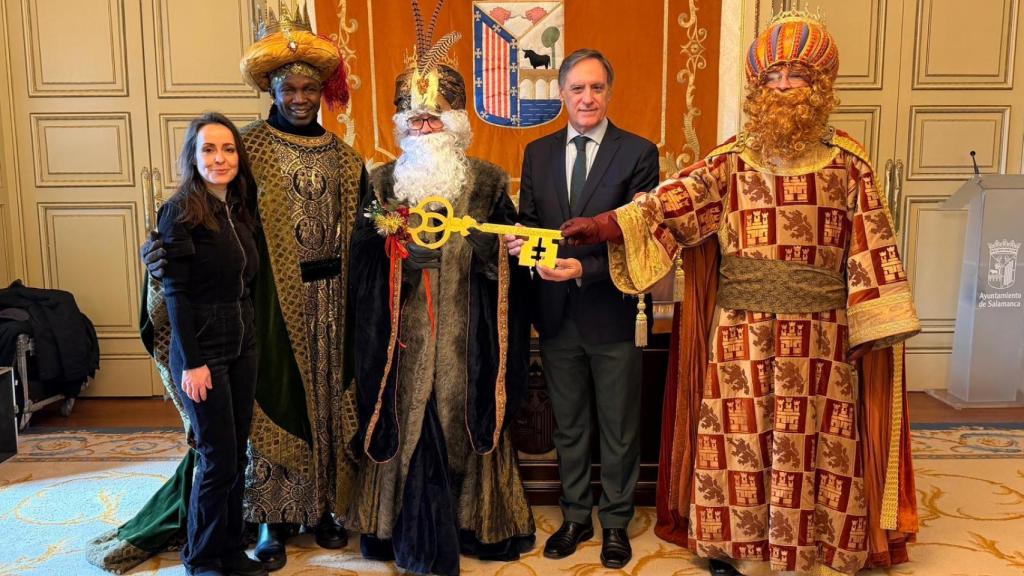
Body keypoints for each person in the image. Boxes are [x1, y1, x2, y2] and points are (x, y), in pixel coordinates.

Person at [560, 11, 921, 575]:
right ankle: (738, 548)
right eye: (772, 76)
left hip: (822, 333)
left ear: (820, 85)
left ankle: (816, 547)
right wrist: (605, 225)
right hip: (741, 330)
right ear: (758, 86)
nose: (783, 86)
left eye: (796, 75)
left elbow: (872, 244)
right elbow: (668, 203)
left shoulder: (849, 164)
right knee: (740, 436)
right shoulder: (731, 159)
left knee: (814, 438)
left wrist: (873, 326)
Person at [89, 4, 367, 573]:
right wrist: (161, 258)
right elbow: (207, 217)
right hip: (262, 304)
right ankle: (269, 517)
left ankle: (325, 506)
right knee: (267, 407)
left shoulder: (346, 157)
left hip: (331, 304)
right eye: (288, 88)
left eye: (309, 88)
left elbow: (362, 230)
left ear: (323, 91)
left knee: (325, 403)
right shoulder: (248, 147)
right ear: (271, 90)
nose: (299, 98)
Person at [346, 3, 535, 574]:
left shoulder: (487, 182)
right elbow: (361, 262)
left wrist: (483, 253)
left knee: (462, 419)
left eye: (433, 118)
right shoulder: (382, 182)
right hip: (402, 340)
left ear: (455, 122)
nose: (423, 128)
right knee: (406, 422)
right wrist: (396, 258)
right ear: (401, 126)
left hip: (465, 336)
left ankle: (474, 521)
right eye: (413, 119)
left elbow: (511, 257)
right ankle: (392, 526)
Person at [504, 48, 659, 569]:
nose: (587, 98)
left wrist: (583, 270)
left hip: (613, 310)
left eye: (596, 87)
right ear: (562, 94)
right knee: (568, 425)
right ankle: (575, 517)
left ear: (608, 92)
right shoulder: (538, 153)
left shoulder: (638, 152)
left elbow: (641, 236)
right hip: (554, 313)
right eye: (577, 88)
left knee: (618, 427)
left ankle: (614, 521)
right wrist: (523, 246)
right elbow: (531, 222)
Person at [158, 113, 263, 576]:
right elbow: (175, 294)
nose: (220, 158)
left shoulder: (237, 208)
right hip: (203, 350)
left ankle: (230, 550)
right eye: (208, 149)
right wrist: (193, 362)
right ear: (193, 156)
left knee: (236, 453)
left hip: (243, 344)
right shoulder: (180, 211)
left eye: (228, 149)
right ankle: (201, 558)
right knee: (217, 458)